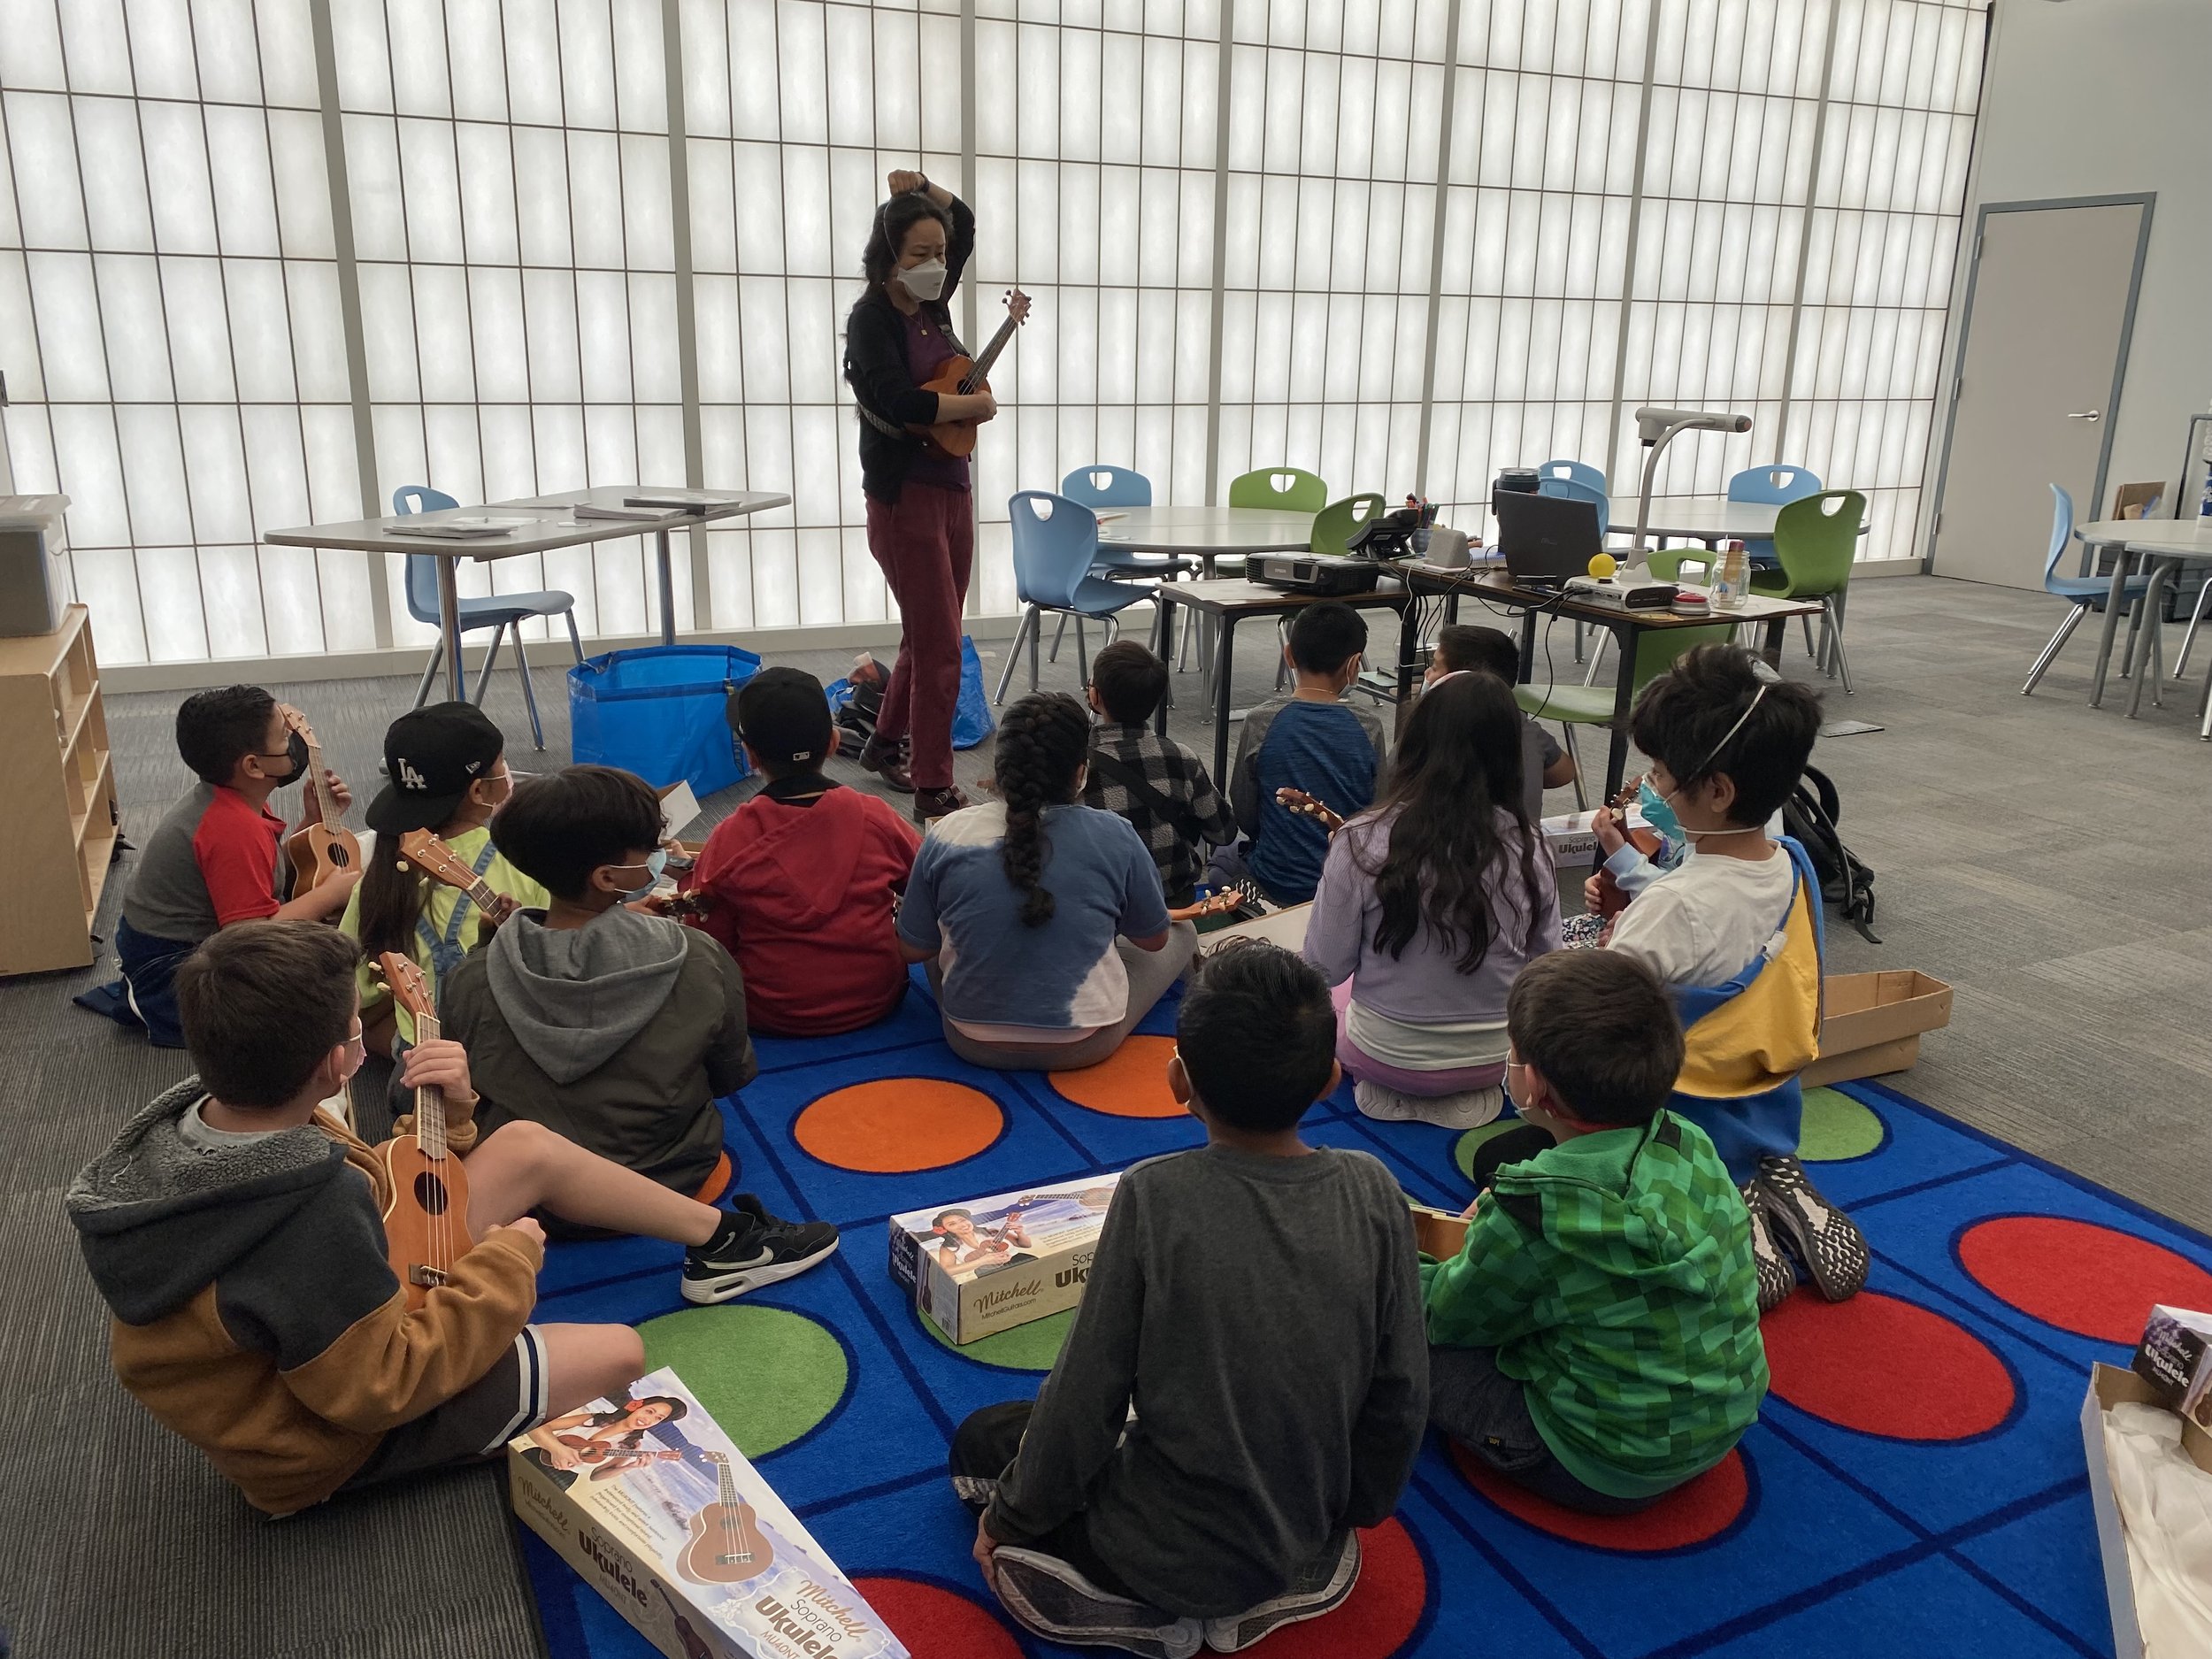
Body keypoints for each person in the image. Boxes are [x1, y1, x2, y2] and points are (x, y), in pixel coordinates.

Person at [63, 920, 838, 1517]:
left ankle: (723, 1242)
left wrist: (454, 1117)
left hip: (323, 1331)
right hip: (317, 1443)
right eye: (354, 1023)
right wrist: (503, 1265)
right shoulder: (305, 1214)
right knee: (620, 1353)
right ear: (341, 1061)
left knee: (525, 1145)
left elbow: (378, 1195)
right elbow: (377, 1388)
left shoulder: (215, 1121)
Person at [949, 942, 1426, 1656]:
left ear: (1179, 1079)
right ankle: (1297, 1576)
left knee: (983, 1439)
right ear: (1329, 1079)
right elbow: (1402, 1386)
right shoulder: (1375, 1187)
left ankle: (1150, 1611)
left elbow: (1086, 1394)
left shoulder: (1154, 1195)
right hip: (1300, 1517)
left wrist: (1010, 1519)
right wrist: (1356, 1507)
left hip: (1148, 1542)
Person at [1423, 950, 1768, 1515]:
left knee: (1397, 1335)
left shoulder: (1532, 1212)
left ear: (1531, 1083)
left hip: (1596, 1462)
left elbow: (1447, 1317)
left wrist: (1396, 1258)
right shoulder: (1690, 1141)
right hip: (1721, 1422)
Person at [1604, 644, 1866, 1312]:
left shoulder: (1672, 907)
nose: (1653, 791)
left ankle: (1724, 1202)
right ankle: (1769, 1169)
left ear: (1717, 791)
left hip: (1686, 1104)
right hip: (1772, 1080)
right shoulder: (1797, 861)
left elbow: (1592, 1016)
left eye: (1661, 776)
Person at [439, 766, 761, 1212]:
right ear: (607, 878)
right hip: (669, 1178)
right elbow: (732, 1074)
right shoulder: (698, 955)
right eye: (649, 849)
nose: (658, 856)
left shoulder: (471, 976)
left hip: (529, 1192)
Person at [843, 167, 1030, 822]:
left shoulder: (933, 305)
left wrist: (925, 189)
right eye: (919, 254)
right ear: (888, 255)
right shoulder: (871, 319)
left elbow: (967, 224)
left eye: (939, 255)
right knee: (942, 642)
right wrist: (972, 405)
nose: (934, 265)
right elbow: (896, 400)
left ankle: (884, 743)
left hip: (952, 487)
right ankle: (933, 785)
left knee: (926, 633)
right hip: (903, 500)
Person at [1305, 672, 1560, 1129]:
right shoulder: (1531, 844)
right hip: (1498, 1061)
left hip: (1378, 1055)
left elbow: (1324, 967)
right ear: (1508, 752)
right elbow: (1547, 967)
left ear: (1415, 740)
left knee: (1332, 995)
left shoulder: (1360, 838)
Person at [897, 692, 1194, 1071]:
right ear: (1080, 772)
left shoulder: (947, 832)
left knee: (934, 934)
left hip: (969, 1038)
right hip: (1086, 1042)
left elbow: (911, 950)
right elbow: (1153, 941)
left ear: (999, 770)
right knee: (1182, 931)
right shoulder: (1115, 833)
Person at [76, 685, 359, 1048]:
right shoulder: (232, 827)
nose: (294, 740)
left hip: (202, 938)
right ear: (253, 766)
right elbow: (247, 936)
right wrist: (327, 895)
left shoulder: (233, 800)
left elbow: (261, 872)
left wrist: (311, 823)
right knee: (324, 994)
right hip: (175, 970)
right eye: (284, 736)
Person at [680, 667, 921, 1036]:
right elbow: (928, 885)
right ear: (834, 742)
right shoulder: (876, 817)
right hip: (876, 997)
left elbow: (710, 935)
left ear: (750, 755)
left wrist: (685, 879)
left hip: (771, 1010)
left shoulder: (729, 838)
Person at [342, 702, 547, 1058]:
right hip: (514, 1049)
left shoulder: (376, 879)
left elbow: (353, 990)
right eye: (502, 762)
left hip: (416, 1049)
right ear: (479, 791)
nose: (507, 771)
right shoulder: (527, 859)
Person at [1222, 602, 1389, 905]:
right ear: (1354, 665)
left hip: (1275, 883)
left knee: (1221, 860)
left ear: (1289, 655)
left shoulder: (1260, 720)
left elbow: (1245, 809)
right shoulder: (1370, 726)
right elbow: (1378, 809)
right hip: (1347, 886)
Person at [1079, 640, 1239, 907]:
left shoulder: (1078, 766)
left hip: (1104, 904)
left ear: (1095, 697)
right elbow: (1224, 833)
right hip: (1173, 901)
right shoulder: (1182, 757)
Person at [1425, 624, 1581, 816]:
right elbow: (1564, 774)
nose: (1427, 675)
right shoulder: (1526, 729)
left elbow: (1386, 788)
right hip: (1524, 842)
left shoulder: (1426, 731)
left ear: (1456, 680)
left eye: (1434, 667)